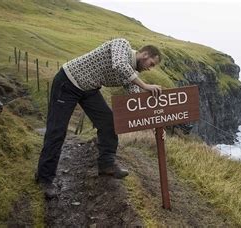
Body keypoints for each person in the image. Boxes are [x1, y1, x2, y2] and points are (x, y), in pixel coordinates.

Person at [35, 38, 163, 198]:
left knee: (109, 122)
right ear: (145, 54)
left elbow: (135, 99)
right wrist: (145, 85)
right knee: (57, 130)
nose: (150, 69)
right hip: (68, 82)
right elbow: (119, 65)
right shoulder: (122, 44)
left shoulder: (132, 74)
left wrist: (154, 123)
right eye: (151, 64)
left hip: (89, 89)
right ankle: (45, 178)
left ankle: (106, 165)